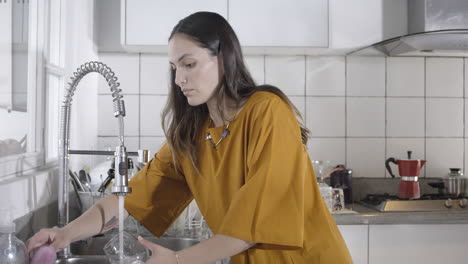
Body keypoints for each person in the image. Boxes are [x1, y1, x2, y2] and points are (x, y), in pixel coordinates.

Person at [27, 11, 352, 264]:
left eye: (190, 64)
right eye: (174, 67)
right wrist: (64, 234)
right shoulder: (193, 134)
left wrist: (178, 259)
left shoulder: (267, 112)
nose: (180, 78)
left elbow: (256, 224)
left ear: (223, 58)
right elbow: (131, 200)